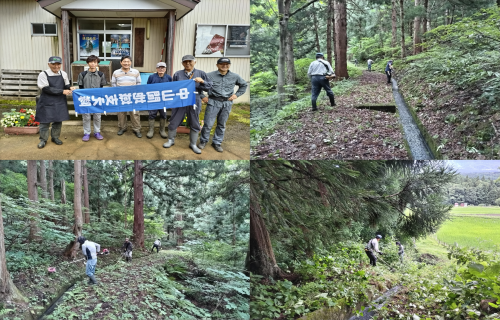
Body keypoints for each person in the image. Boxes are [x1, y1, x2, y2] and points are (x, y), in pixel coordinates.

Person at [164, 55, 212, 154]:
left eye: (190, 61)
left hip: (194, 100)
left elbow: (209, 87)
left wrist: (202, 81)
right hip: (180, 101)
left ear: (195, 62)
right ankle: (170, 140)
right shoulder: (177, 74)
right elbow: (173, 88)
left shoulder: (201, 73)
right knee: (174, 120)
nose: (188, 63)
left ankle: (193, 144)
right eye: (185, 62)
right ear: (182, 63)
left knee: (194, 121)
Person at [198, 58, 247, 153]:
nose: (224, 66)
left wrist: (236, 95)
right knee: (208, 124)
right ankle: (203, 141)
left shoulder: (235, 76)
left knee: (221, 124)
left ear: (229, 65)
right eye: (222, 64)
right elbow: (198, 86)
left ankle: (217, 142)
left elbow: (244, 85)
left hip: (226, 103)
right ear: (217, 65)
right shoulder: (209, 75)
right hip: (213, 102)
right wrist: (202, 96)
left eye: (227, 64)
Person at [35, 56, 75, 149]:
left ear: (61, 64)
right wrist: (62, 91)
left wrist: (70, 88)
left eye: (58, 64)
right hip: (47, 101)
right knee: (44, 121)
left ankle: (55, 137)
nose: (56, 66)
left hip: (59, 101)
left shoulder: (63, 73)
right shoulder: (43, 74)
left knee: (58, 120)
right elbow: (46, 88)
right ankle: (43, 140)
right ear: (49, 64)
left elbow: (66, 84)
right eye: (53, 64)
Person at [77, 55, 107, 142]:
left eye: (95, 62)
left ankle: (97, 132)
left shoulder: (101, 74)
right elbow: (80, 87)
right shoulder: (82, 74)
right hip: (85, 99)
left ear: (97, 63)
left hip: (97, 99)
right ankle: (86, 133)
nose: (93, 64)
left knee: (97, 116)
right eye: (91, 62)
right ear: (88, 63)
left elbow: (101, 86)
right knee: (86, 116)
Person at [112, 55, 142, 138]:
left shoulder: (136, 72)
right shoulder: (116, 72)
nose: (126, 63)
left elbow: (139, 83)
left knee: (135, 113)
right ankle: (122, 128)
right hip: (121, 97)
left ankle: (136, 129)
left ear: (131, 62)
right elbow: (113, 84)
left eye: (128, 61)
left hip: (133, 97)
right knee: (121, 113)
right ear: (121, 62)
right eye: (124, 61)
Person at [146, 62, 173, 139]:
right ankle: (151, 130)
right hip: (153, 100)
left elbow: (171, 88)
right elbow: (148, 88)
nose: (161, 69)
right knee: (152, 114)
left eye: (163, 68)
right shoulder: (151, 77)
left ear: (165, 69)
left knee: (163, 115)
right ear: (156, 69)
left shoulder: (168, 77)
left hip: (164, 100)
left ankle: (162, 130)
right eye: (159, 68)